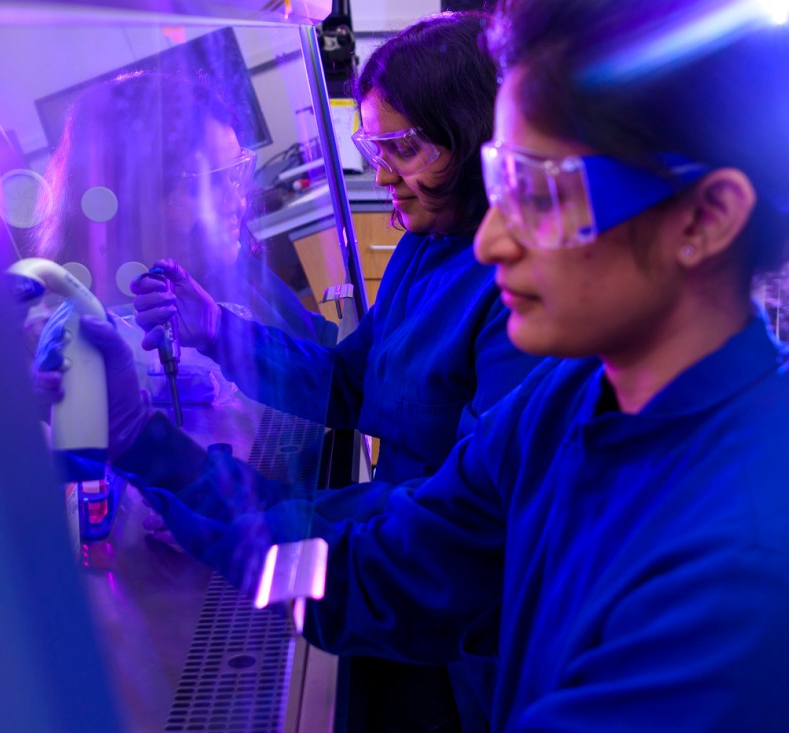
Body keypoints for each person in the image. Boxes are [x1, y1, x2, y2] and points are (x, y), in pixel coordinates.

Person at [62, 0, 789, 729]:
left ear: (707, 217)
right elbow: (371, 572)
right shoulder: (564, 402)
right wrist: (151, 448)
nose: (489, 243)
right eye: (499, 178)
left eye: (540, 191)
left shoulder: (742, 577)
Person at [126, 13, 541, 731]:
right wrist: (218, 329)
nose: (384, 177)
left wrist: (232, 510)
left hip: (461, 623)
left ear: (478, 137)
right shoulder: (425, 244)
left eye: (406, 149)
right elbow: (353, 382)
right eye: (373, 148)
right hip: (397, 557)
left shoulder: (518, 294)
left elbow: (457, 535)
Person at [26, 70, 336, 412]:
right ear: (133, 202)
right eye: (204, 185)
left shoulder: (228, 268)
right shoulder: (110, 341)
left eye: (235, 174)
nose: (238, 203)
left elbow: (320, 344)